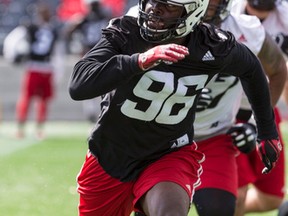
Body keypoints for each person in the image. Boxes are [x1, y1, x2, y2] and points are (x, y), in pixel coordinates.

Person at [68, 0, 282, 215]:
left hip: (168, 152)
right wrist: (139, 61)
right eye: (152, 1)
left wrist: (266, 131)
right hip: (111, 154)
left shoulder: (211, 43)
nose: (155, 9)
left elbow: (252, 69)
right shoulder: (127, 31)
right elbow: (79, 85)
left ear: (192, 12)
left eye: (168, 5)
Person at [179, 0, 287, 215]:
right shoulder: (163, 21)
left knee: (270, 198)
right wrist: (180, 92)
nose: (210, 4)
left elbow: (278, 69)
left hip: (228, 123)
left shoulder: (243, 26)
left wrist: (258, 125)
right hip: (165, 131)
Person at [230, 0, 288, 215]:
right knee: (235, 195)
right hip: (227, 114)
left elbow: (283, 73)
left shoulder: (284, 17)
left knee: (272, 198)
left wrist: (262, 120)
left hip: (265, 110)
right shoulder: (227, 15)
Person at [3, 3, 63, 139]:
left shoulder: (33, 27)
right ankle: (28, 129)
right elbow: (58, 53)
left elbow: (11, 41)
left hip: (40, 67)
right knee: (32, 99)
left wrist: (11, 56)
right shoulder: (38, 28)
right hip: (41, 67)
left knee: (35, 100)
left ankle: (31, 129)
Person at [65, 0, 111, 123]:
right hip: (91, 54)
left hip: (104, 52)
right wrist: (77, 44)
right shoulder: (83, 19)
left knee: (105, 82)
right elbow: (68, 32)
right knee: (89, 82)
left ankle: (102, 110)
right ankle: (92, 113)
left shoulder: (105, 18)